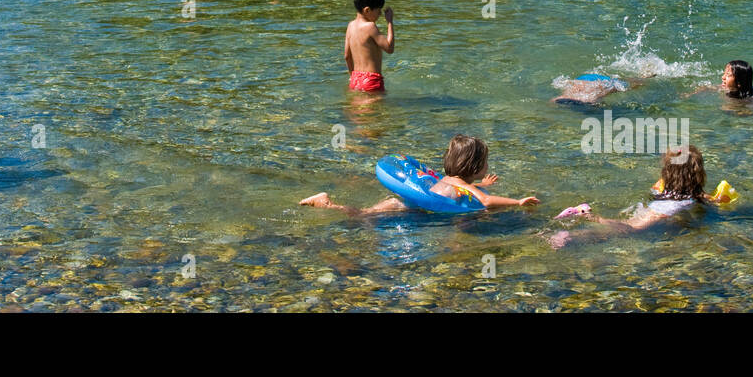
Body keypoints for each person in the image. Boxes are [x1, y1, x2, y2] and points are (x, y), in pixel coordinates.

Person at [299, 135, 539, 214]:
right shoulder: (468, 188)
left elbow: (475, 190)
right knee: (364, 216)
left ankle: (328, 203)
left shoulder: (449, 179)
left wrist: (483, 183)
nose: (487, 167)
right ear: (475, 168)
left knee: (366, 214)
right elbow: (485, 201)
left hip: (408, 198)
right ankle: (327, 204)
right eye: (485, 163)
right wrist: (517, 202)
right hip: (410, 208)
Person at [547, 145, 718, 247]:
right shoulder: (693, 196)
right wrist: (718, 201)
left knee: (624, 226)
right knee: (629, 229)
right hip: (664, 210)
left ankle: (580, 221)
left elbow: (657, 187)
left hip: (653, 205)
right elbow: (704, 199)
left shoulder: (662, 188)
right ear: (697, 173)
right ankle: (585, 221)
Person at [345, 0, 394, 92]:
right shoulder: (370, 26)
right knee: (377, 108)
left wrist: (352, 76)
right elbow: (389, 48)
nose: (380, 14)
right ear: (367, 10)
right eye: (378, 10)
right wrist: (390, 22)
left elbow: (347, 56)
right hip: (372, 80)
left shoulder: (350, 26)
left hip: (355, 79)